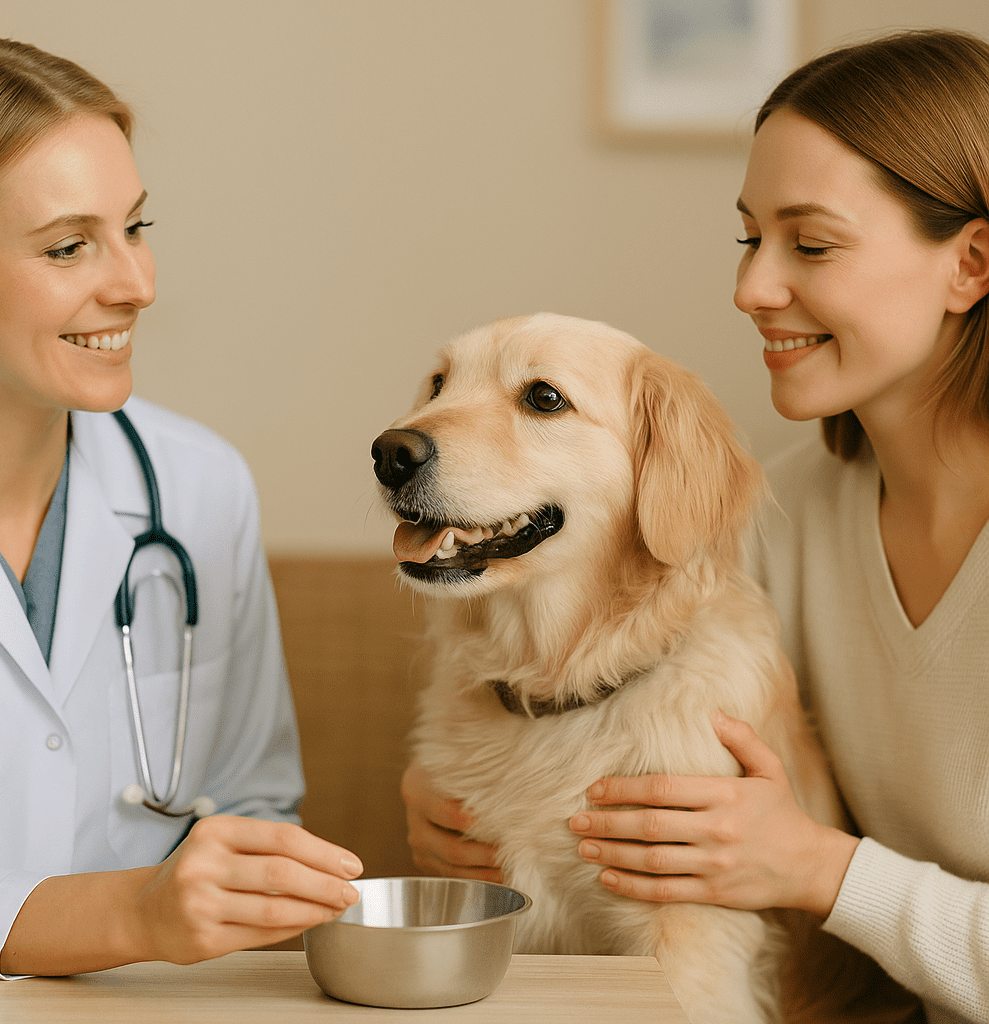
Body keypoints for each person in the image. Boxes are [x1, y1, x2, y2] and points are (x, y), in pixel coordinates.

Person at [401, 29, 989, 1024]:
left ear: (970, 263)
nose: (751, 289)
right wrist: (462, 795)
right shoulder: (779, 514)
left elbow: (793, 865)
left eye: (809, 243)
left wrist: (825, 871)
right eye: (747, 238)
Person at [0, 38, 363, 980]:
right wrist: (127, 912)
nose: (136, 285)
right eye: (69, 247)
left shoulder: (195, 488)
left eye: (135, 229)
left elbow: (253, 806)